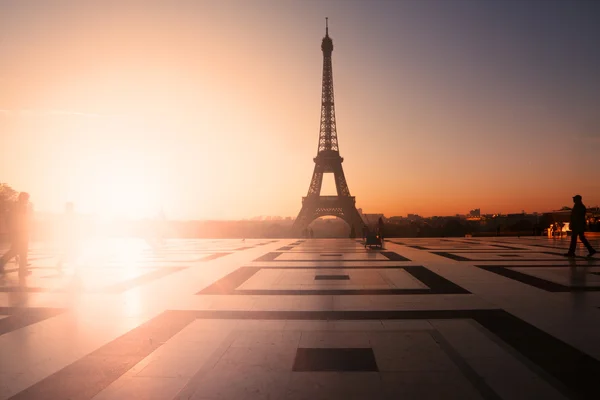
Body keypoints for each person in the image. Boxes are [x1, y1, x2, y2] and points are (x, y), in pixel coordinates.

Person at [0, 192, 31, 275]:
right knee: (20, 251)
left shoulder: (17, 206)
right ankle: (22, 270)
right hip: (20, 233)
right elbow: (20, 221)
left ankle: (22, 270)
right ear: (23, 198)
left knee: (17, 250)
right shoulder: (19, 207)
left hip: (19, 232)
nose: (27, 200)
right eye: (26, 198)